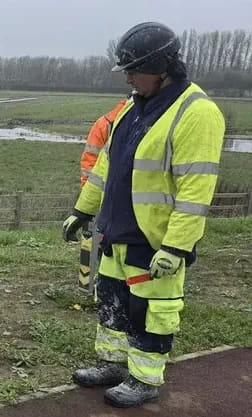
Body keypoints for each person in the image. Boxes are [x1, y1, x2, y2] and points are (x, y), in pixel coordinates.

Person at [62, 22, 225, 408]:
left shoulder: (196, 112)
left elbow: (195, 191)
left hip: (155, 241)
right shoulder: (132, 109)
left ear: (165, 66)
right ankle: (113, 365)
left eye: (136, 70)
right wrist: (81, 211)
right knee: (113, 304)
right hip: (117, 232)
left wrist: (176, 246)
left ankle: (144, 379)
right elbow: (106, 168)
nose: (130, 78)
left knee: (150, 313)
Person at [77, 97, 129, 291]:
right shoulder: (110, 124)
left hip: (103, 198)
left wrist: (87, 199)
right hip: (116, 199)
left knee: (100, 245)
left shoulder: (104, 123)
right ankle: (97, 285)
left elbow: (88, 163)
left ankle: (93, 286)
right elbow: (91, 164)